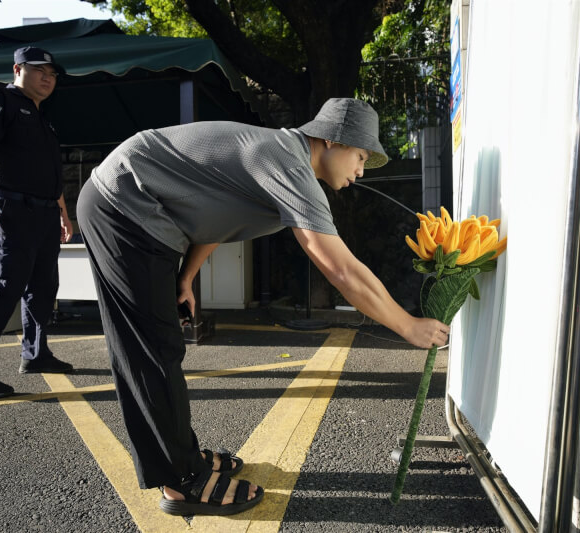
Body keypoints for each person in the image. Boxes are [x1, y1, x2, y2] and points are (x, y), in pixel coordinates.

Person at [76, 98, 450, 516]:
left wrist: (186, 276)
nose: (361, 170)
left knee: (161, 345)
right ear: (330, 139)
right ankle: (181, 481)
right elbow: (341, 269)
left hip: (140, 206)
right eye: (360, 156)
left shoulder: (284, 157)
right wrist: (407, 326)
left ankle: (186, 458)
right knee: (151, 349)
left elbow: (217, 214)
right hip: (124, 201)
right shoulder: (289, 163)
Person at [0, 46, 75, 400]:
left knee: (43, 288)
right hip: (12, 209)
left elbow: (50, 175)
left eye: (52, 74)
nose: (48, 78)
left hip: (45, 214)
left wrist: (64, 214)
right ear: (17, 69)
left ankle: (35, 353)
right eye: (40, 70)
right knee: (5, 287)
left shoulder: (43, 118)